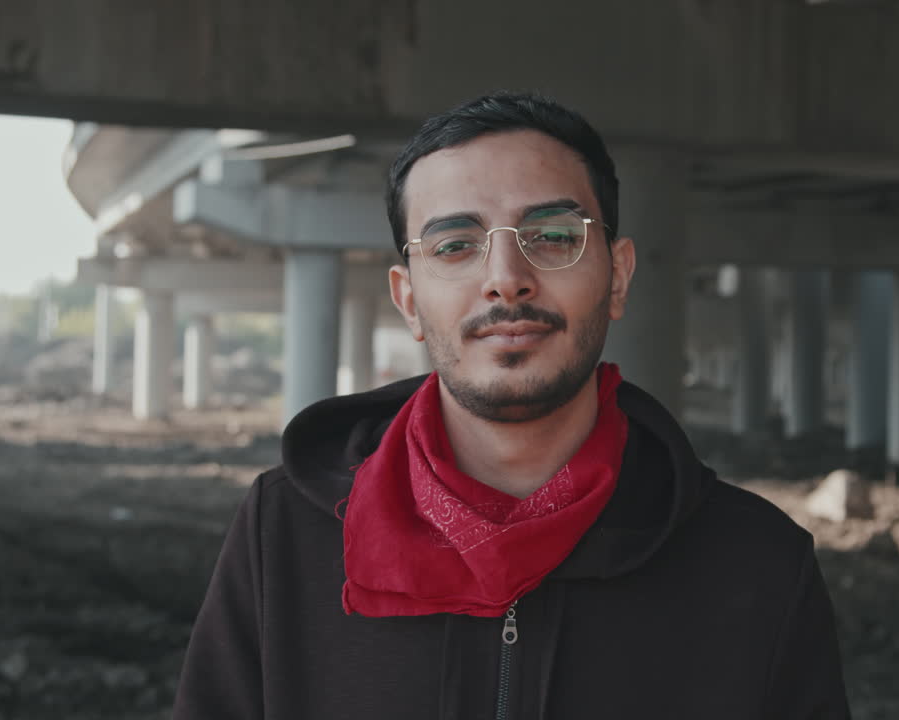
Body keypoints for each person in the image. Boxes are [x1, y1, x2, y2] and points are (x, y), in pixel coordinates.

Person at [172, 92, 851, 720]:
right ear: (409, 301)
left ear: (617, 277)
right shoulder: (284, 534)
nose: (505, 280)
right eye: (455, 246)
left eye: (552, 237)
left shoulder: (757, 564)